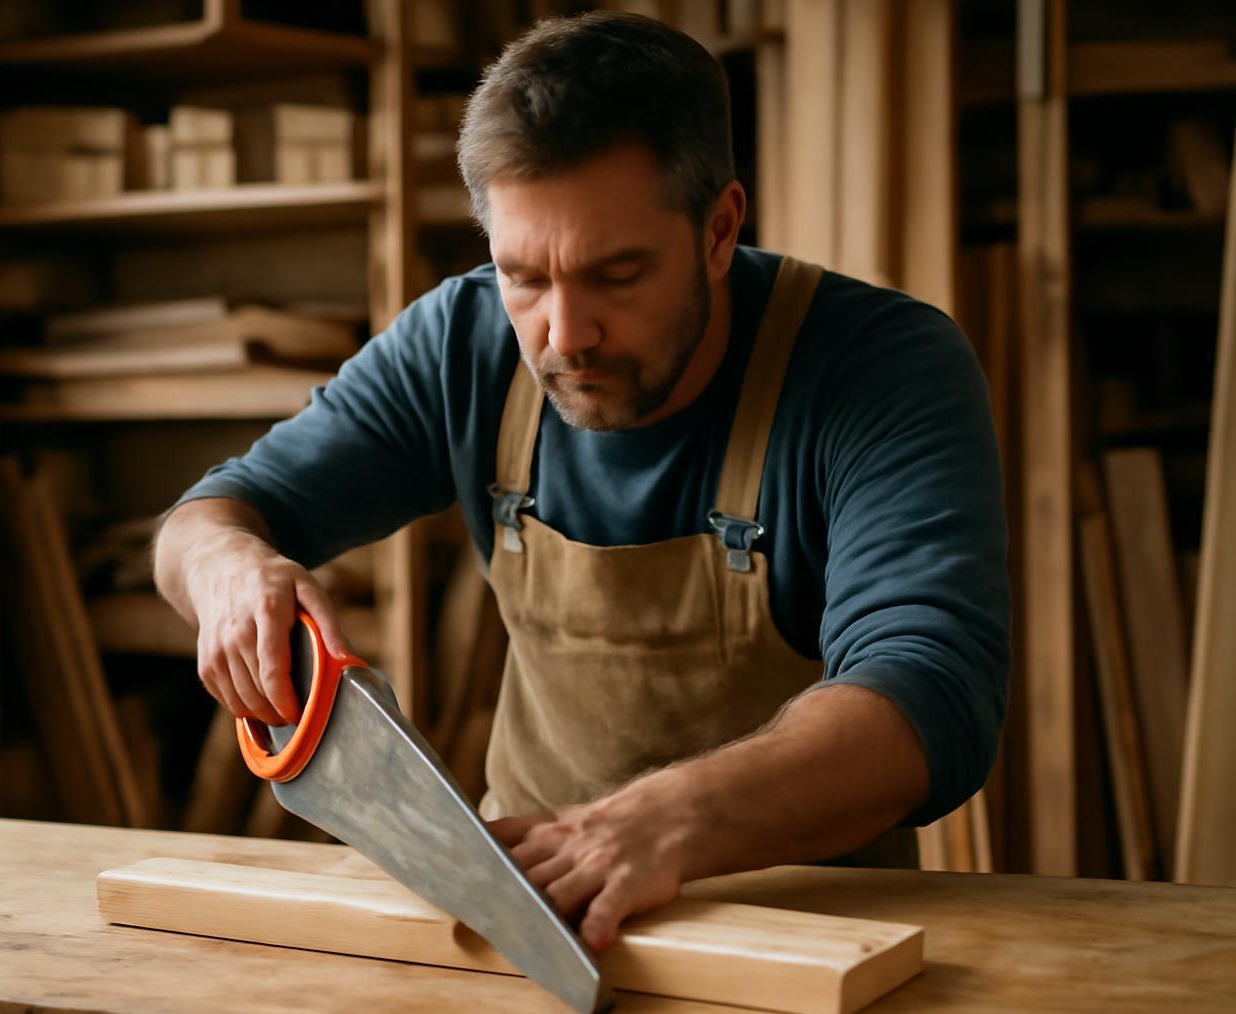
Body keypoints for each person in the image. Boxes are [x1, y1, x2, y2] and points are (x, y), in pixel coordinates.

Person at [154, 12, 1009, 953]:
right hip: (528, 911)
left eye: (618, 275)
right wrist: (228, 570)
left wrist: (665, 819)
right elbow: (210, 515)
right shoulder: (464, 340)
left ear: (720, 230)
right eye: (524, 276)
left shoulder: (881, 366)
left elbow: (930, 693)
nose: (564, 335)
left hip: (804, 940)